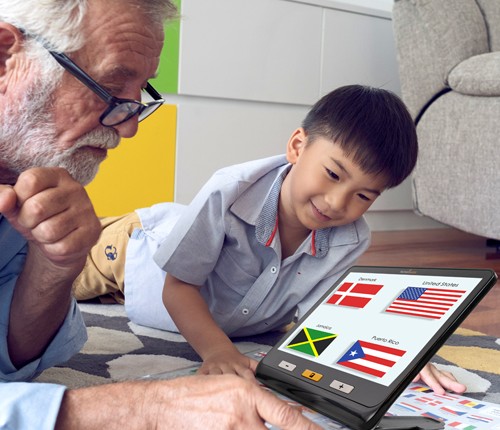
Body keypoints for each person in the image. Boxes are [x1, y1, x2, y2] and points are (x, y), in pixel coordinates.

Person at [0, 1, 321, 429]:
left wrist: (54, 268)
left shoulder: (29, 178)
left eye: (140, 93)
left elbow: (13, 360)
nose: (129, 127)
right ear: (5, 57)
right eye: (110, 84)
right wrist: (142, 410)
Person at [74, 85, 467, 396]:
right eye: (332, 174)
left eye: (364, 196)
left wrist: (396, 359)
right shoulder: (229, 191)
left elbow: (332, 319)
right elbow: (178, 286)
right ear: (298, 147)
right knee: (45, 272)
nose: (337, 203)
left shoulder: (350, 239)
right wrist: (218, 351)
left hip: (187, 297)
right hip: (133, 252)